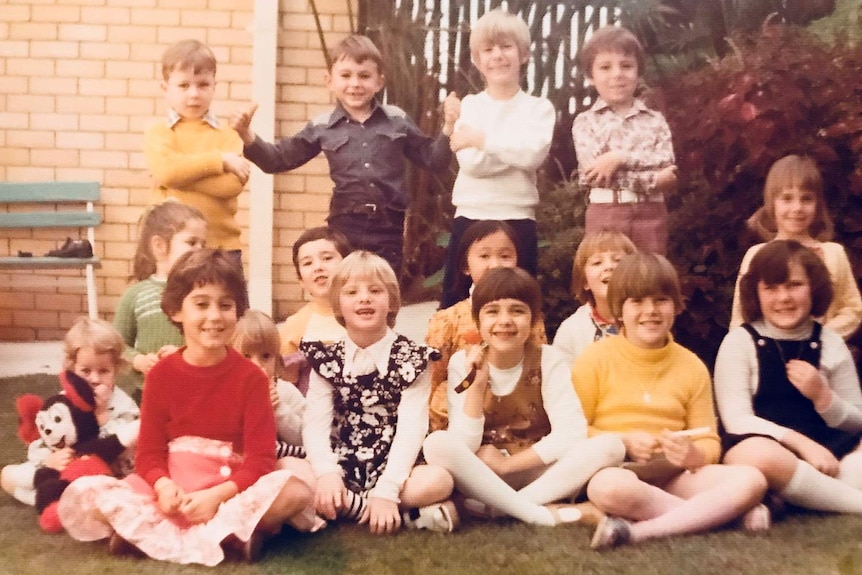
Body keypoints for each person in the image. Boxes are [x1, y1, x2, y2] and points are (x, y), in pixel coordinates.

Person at [57, 250, 320, 566]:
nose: (214, 316)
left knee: (295, 492)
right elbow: (149, 454)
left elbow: (261, 459)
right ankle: (232, 534)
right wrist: (164, 486)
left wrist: (216, 496)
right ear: (176, 310)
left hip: (228, 487)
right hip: (174, 484)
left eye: (225, 305)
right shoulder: (161, 375)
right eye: (201, 304)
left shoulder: (251, 377)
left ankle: (193, 529)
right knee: (91, 493)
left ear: (237, 312)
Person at [574, 253, 768, 550]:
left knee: (751, 479)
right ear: (619, 309)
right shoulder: (595, 359)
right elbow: (573, 431)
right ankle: (723, 514)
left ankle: (638, 532)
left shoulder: (691, 366)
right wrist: (622, 441)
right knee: (607, 488)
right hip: (620, 470)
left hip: (676, 475)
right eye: (637, 302)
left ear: (676, 306)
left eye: (660, 300)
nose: (650, 311)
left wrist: (694, 456)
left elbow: (709, 439)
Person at [231, 35, 458, 278]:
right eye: (346, 75)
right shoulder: (323, 126)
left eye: (364, 75)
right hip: (345, 224)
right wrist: (247, 135)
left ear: (379, 81)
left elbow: (434, 160)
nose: (355, 83)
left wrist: (449, 126)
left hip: (388, 226)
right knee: (345, 292)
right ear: (329, 80)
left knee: (384, 292)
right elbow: (277, 160)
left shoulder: (397, 120)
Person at [423, 267, 623, 526]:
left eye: (517, 311)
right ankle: (540, 513)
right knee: (437, 443)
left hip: (534, 471)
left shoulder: (549, 359)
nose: (504, 320)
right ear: (478, 321)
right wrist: (477, 384)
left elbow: (570, 433)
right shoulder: (463, 362)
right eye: (492, 311)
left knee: (611, 446)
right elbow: (464, 445)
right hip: (481, 473)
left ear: (533, 321)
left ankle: (497, 510)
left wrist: (510, 465)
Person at [301, 251, 458, 534]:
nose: (364, 298)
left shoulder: (412, 359)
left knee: (439, 480)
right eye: (352, 292)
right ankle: (380, 510)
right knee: (289, 469)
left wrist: (388, 488)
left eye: (375, 290)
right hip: (340, 462)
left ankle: (354, 506)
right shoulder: (326, 358)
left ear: (392, 302)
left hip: (393, 463)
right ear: (338, 304)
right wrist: (326, 472)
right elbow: (315, 424)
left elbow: (412, 427)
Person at [715, 240, 862, 515]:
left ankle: (802, 497)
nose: (783, 298)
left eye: (794, 285)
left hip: (828, 453)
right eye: (771, 288)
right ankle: (849, 501)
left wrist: (824, 397)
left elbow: (857, 420)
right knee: (756, 454)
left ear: (814, 288)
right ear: (756, 294)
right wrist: (800, 444)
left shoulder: (830, 342)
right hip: (769, 453)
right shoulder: (739, 343)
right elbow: (736, 420)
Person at [440, 8, 555, 308]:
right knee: (457, 303)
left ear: (524, 54)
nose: (498, 55)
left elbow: (533, 155)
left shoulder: (538, 108)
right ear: (478, 61)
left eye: (506, 47)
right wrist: (513, 149)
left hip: (518, 217)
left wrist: (482, 140)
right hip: (471, 214)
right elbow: (472, 164)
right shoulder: (471, 106)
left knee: (518, 303)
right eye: (488, 49)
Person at [2, 317, 140, 506]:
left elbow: (125, 448)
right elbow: (41, 441)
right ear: (72, 368)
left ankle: (60, 502)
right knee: (8, 475)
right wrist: (49, 459)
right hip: (64, 471)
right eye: (86, 371)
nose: (95, 379)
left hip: (106, 474)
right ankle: (50, 499)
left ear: (115, 368)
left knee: (119, 490)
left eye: (103, 371)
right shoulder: (63, 402)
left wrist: (103, 418)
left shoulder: (124, 405)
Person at [425, 220, 545, 431]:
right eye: (484, 256)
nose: (495, 264)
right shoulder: (448, 320)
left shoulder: (529, 319)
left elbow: (537, 367)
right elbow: (431, 379)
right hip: (458, 411)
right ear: (465, 265)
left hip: (514, 410)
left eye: (505, 256)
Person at [730, 154, 862, 340]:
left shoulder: (833, 254)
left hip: (820, 357)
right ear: (772, 204)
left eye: (806, 199)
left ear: (818, 204)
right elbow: (740, 317)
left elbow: (854, 309)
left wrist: (821, 337)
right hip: (770, 355)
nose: (797, 207)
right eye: (787, 198)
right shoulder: (757, 255)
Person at [572, 25, 678, 255]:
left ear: (638, 73)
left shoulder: (655, 120)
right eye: (605, 67)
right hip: (606, 212)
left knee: (650, 280)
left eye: (626, 66)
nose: (617, 74)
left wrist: (620, 158)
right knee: (608, 280)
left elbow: (665, 161)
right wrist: (653, 180)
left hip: (652, 213)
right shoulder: (585, 122)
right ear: (591, 76)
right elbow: (595, 176)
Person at [144, 39, 249, 264]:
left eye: (202, 85)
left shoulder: (228, 133)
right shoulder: (159, 132)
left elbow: (231, 185)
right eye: (183, 85)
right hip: (170, 250)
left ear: (214, 86)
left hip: (222, 248)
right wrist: (218, 161)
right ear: (165, 88)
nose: (194, 94)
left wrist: (176, 178)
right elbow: (167, 172)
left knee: (226, 300)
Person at [113, 201, 207, 399]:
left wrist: (186, 355)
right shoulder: (136, 295)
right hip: (148, 393)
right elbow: (117, 345)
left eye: (203, 244)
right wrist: (137, 360)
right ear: (160, 246)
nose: (200, 250)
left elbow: (217, 339)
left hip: (196, 390)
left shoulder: (204, 294)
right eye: (192, 242)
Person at [278, 226, 351, 392]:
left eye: (327, 258)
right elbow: (287, 387)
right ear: (300, 280)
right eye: (308, 263)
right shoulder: (295, 326)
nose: (318, 267)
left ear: (348, 265)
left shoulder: (365, 313)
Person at [553, 230, 637, 364]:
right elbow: (562, 380)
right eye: (597, 262)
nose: (609, 266)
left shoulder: (646, 317)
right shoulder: (571, 331)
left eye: (618, 260)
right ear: (585, 282)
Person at [232, 310, 306, 459]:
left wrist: (278, 410)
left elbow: (305, 438)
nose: (257, 365)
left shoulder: (285, 391)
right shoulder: (225, 392)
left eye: (265, 356)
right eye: (246, 356)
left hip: (281, 462)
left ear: (277, 359)